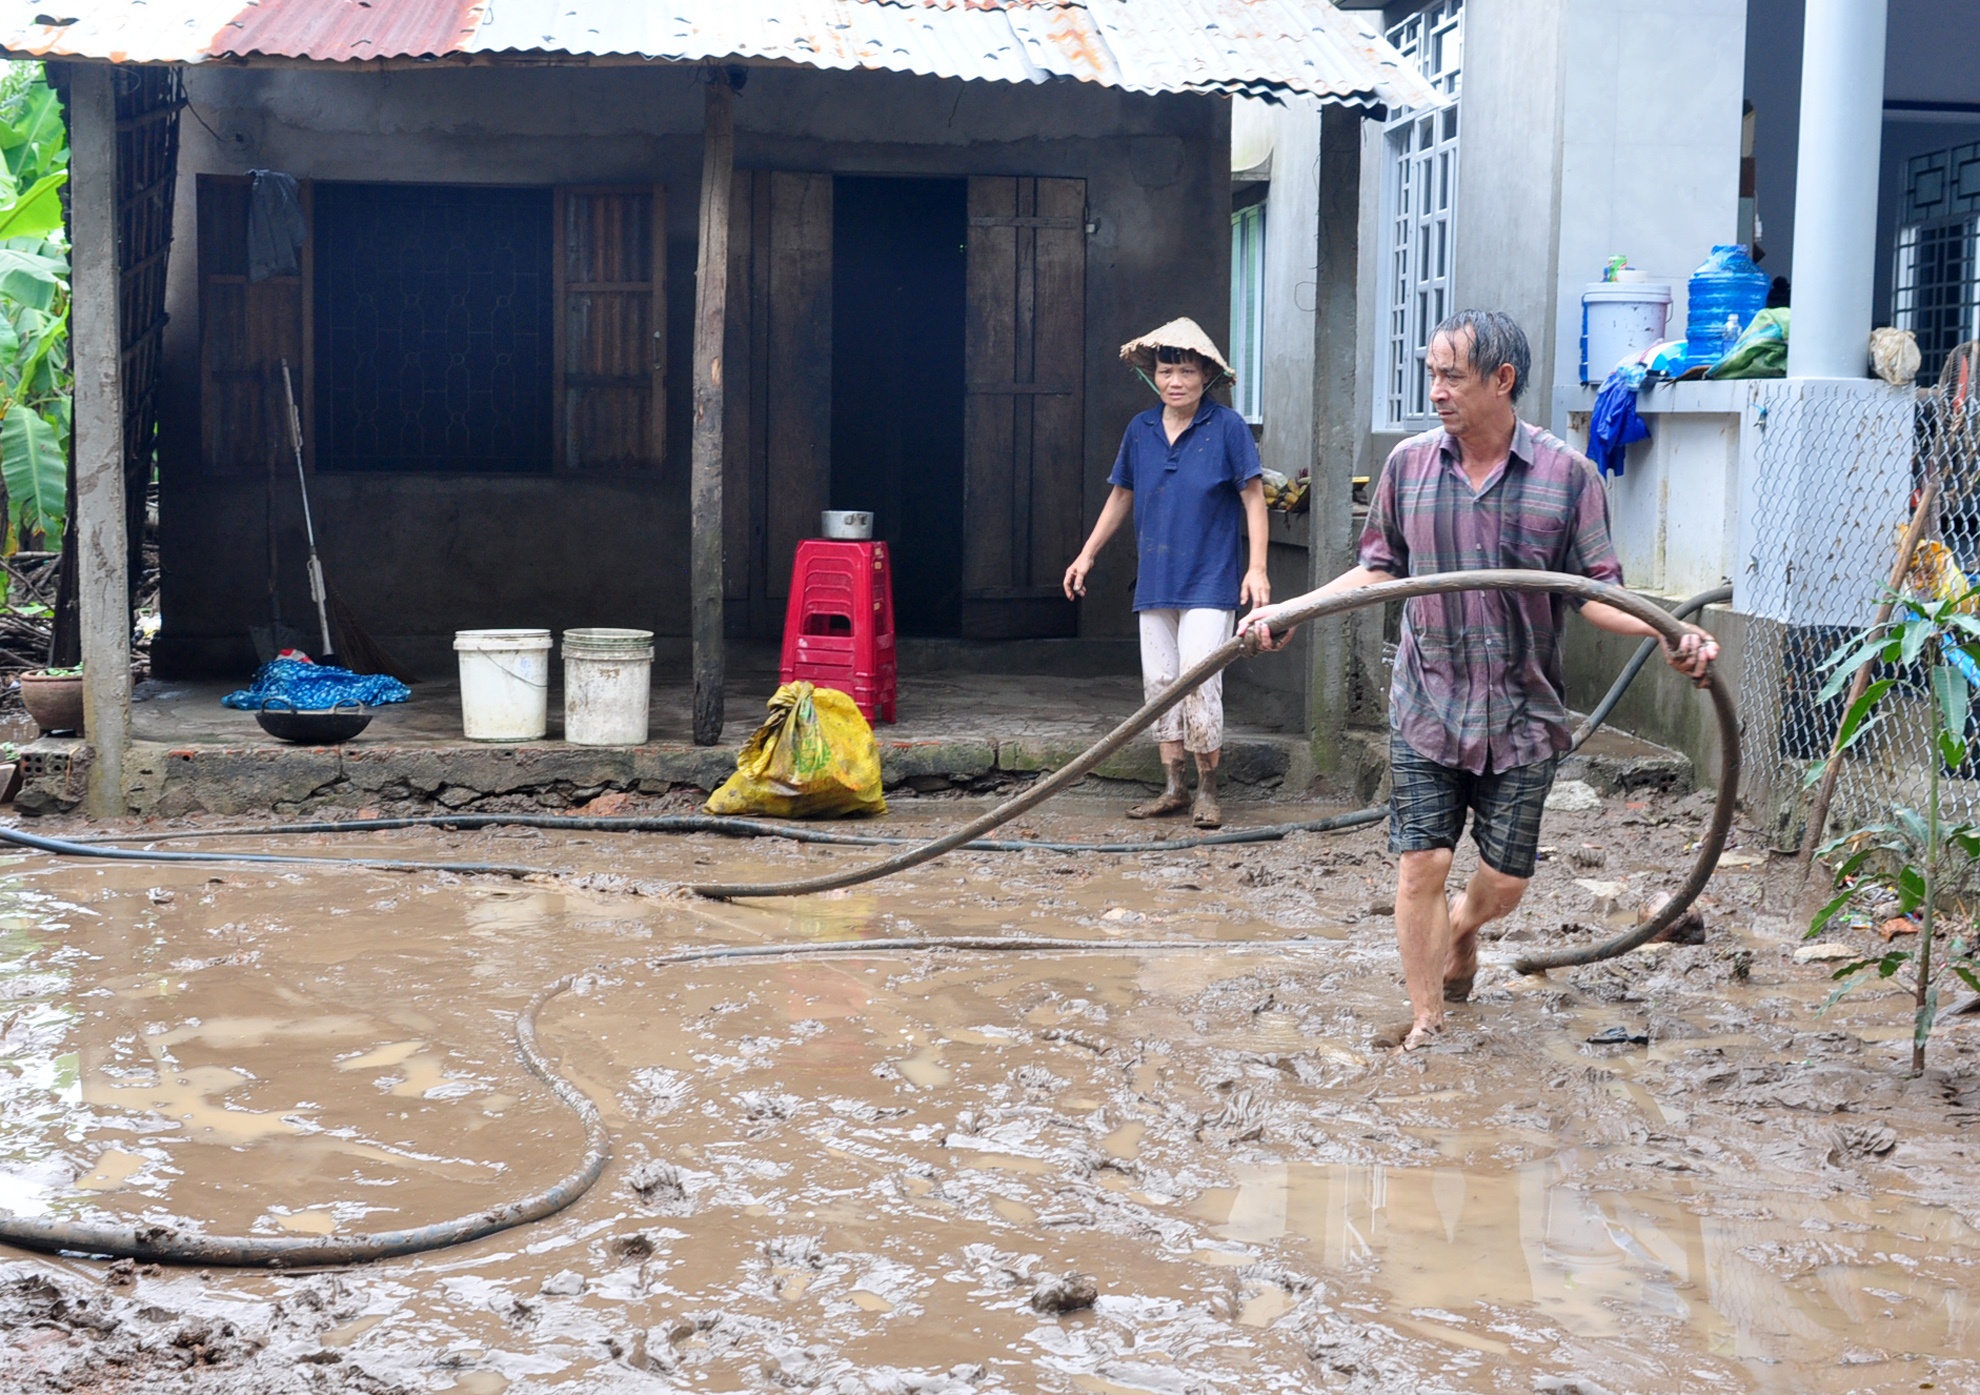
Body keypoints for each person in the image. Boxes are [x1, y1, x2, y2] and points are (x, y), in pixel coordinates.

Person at [1239, 310, 1719, 1051]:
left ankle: (1464, 926)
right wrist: (1294, 609)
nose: (1436, 390)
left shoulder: (1569, 477)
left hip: (1523, 714)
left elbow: (1596, 592)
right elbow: (1379, 569)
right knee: (1421, 863)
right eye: (1431, 373)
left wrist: (1668, 631)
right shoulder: (1408, 466)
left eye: (1451, 375)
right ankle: (1427, 1018)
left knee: (1503, 885)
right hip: (1427, 699)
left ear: (1502, 380)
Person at [1064, 318, 1271, 829]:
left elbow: (1253, 498)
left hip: (1211, 579)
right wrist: (1086, 554)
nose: (1174, 381)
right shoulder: (1142, 430)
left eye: (1184, 371)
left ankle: (1208, 790)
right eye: (1164, 370)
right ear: (1152, 376)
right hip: (1156, 578)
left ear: (1206, 376)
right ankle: (1174, 787)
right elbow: (1121, 494)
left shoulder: (1227, 428)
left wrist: (1258, 568)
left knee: (1200, 679)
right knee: (1159, 683)